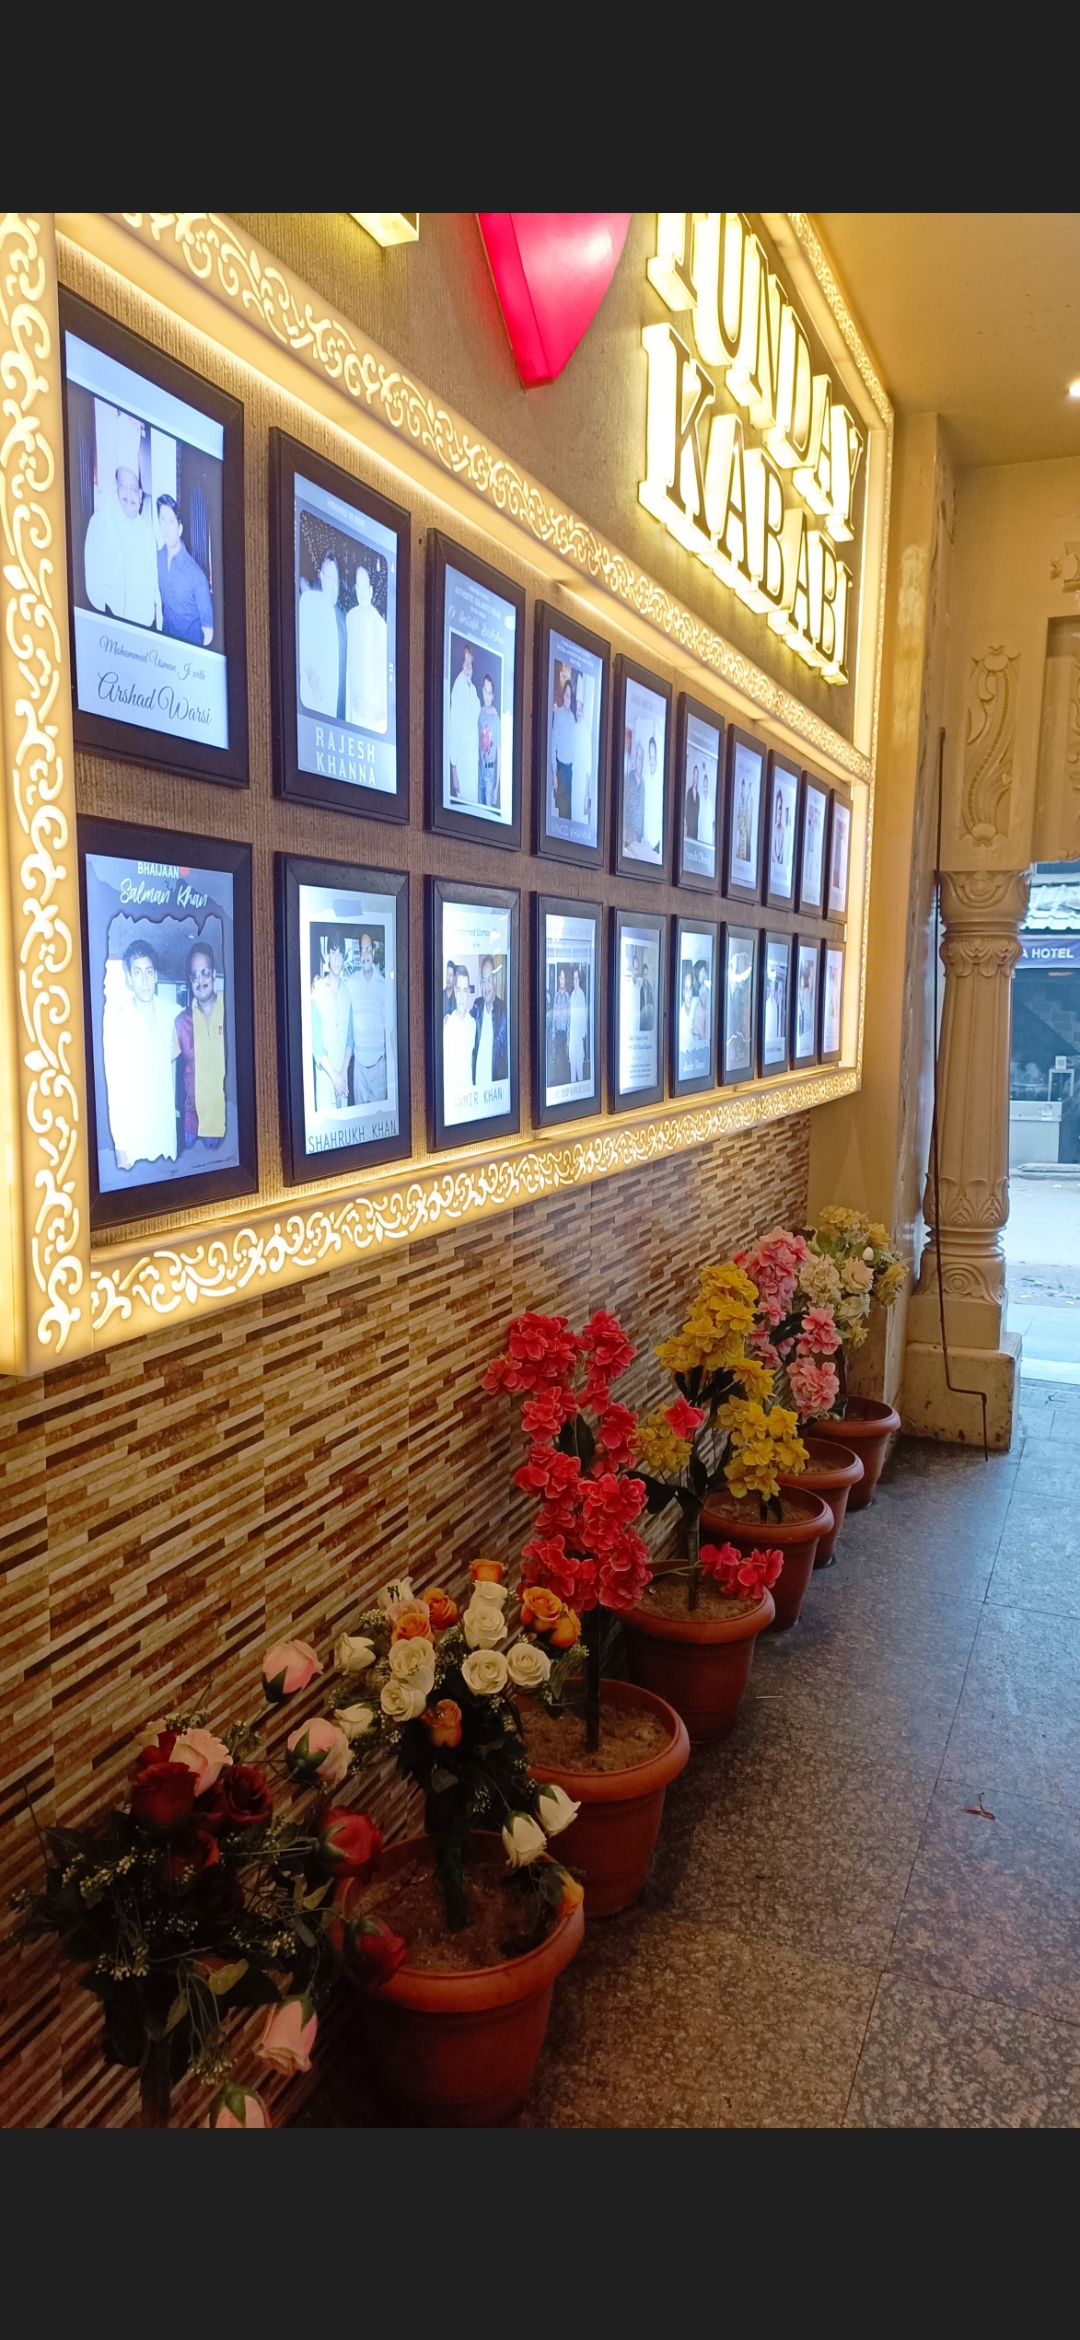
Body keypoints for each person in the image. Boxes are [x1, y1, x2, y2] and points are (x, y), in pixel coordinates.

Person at [101, 938, 178, 1171]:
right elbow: (114, 1088)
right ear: (129, 978)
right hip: (134, 1138)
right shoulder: (118, 1022)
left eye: (149, 972)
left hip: (165, 1135)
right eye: (137, 972)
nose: (144, 981)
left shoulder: (172, 1014)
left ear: (155, 976)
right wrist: (120, 1145)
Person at [84, 462, 161, 631]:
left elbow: (154, 588)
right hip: (108, 624)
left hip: (143, 628)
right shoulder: (100, 521)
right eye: (123, 486)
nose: (128, 495)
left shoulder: (149, 536)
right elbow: (92, 579)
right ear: (116, 488)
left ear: (140, 494)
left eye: (133, 489)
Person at [172, 942, 226, 1150]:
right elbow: (157, 1059)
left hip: (227, 1124)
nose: (200, 980)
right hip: (193, 1128)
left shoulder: (232, 1010)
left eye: (205, 972)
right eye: (195, 975)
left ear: (214, 974)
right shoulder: (181, 1022)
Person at [156, 495, 213, 647]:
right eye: (162, 520)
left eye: (171, 521)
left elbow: (208, 633)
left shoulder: (196, 576)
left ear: (180, 528)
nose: (166, 528)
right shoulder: (156, 560)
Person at [299, 551, 344, 716]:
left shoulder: (340, 619)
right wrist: (309, 671)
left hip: (330, 703)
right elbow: (299, 644)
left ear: (337, 583)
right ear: (320, 576)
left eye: (332, 577)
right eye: (325, 574)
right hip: (308, 696)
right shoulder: (308, 601)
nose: (327, 579)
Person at [310, 937, 353, 1112]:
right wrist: (335, 1077)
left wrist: (342, 1075)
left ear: (344, 959)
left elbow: (350, 1040)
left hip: (343, 1084)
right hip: (325, 1083)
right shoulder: (317, 991)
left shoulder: (347, 994)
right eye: (333, 953)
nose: (336, 958)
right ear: (327, 956)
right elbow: (316, 1045)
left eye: (340, 954)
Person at [345, 560, 388, 731]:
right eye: (359, 586)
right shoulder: (350, 618)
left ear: (371, 590)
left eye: (365, 586)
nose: (362, 591)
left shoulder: (381, 627)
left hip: (374, 719)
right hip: (354, 712)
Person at [347, 930, 388, 1102]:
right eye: (362, 950)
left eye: (368, 949)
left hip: (379, 1069)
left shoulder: (384, 985)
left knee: (381, 1116)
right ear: (359, 954)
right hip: (359, 1071)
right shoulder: (350, 984)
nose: (365, 955)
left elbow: (387, 1029)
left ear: (374, 952)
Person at [448, 641, 479, 801]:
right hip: (462, 761)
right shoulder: (457, 688)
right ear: (462, 664)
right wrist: (454, 770)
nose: (468, 668)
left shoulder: (473, 689)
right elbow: (454, 730)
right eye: (465, 663)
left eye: (470, 664)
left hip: (473, 759)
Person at [472, 955, 508, 1088]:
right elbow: (463, 1019)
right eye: (483, 981)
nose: (486, 986)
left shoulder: (504, 1011)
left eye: (489, 979)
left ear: (495, 982)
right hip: (477, 1087)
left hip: (494, 1089)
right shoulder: (477, 1006)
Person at [443, 963, 477, 1097]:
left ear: (468, 992)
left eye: (465, 990)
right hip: (451, 1096)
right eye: (459, 990)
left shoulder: (473, 1024)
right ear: (455, 993)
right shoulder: (447, 1025)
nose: (462, 997)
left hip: (469, 1096)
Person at [550, 677, 576, 823]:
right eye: (566, 694)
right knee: (562, 810)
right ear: (563, 696)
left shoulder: (573, 718)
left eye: (570, 695)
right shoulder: (558, 714)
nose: (567, 698)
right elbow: (553, 743)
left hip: (570, 771)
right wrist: (554, 773)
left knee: (569, 813)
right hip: (560, 770)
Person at [477, 675, 501, 809]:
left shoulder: (496, 720)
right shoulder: (479, 713)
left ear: (493, 696)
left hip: (490, 773)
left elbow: (499, 752)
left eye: (490, 692)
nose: (487, 695)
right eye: (485, 691)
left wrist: (497, 786)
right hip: (479, 769)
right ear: (482, 691)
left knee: (487, 810)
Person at [571, 688, 592, 828]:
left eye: (580, 708)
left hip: (582, 784)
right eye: (576, 708)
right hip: (574, 780)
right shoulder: (574, 728)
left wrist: (586, 797)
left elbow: (588, 769)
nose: (578, 712)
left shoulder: (586, 731)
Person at [549, 966, 571, 1087]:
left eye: (564, 978)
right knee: (556, 1059)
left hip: (564, 1034)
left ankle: (564, 1083)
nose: (562, 981)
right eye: (560, 978)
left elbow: (569, 1020)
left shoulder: (568, 997)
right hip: (557, 1033)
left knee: (563, 1061)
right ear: (559, 979)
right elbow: (554, 1018)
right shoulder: (556, 996)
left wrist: (568, 1041)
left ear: (565, 980)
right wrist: (553, 1037)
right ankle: (557, 1082)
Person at [568, 964, 588, 1084]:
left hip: (579, 1038)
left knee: (579, 1066)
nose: (575, 981)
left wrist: (582, 1036)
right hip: (572, 1037)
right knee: (572, 1065)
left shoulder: (581, 995)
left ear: (579, 979)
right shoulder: (571, 996)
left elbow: (583, 1017)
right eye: (574, 979)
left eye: (577, 978)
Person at [624, 738, 645, 852]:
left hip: (638, 838)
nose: (639, 761)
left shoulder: (643, 784)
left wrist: (641, 836)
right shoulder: (629, 779)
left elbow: (642, 812)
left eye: (641, 758)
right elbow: (624, 805)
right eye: (637, 757)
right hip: (628, 835)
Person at [679, 963, 697, 1064]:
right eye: (686, 989)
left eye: (690, 989)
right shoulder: (680, 1015)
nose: (689, 994)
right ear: (683, 993)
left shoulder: (697, 1005)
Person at [692, 959, 710, 1046]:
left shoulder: (715, 1006)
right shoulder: (697, 1010)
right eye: (700, 985)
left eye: (704, 983)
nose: (702, 989)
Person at [685, 762, 700, 840]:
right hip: (689, 831)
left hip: (695, 832)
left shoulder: (698, 796)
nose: (695, 779)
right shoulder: (689, 792)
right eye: (694, 776)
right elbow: (687, 812)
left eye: (697, 777)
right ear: (693, 776)